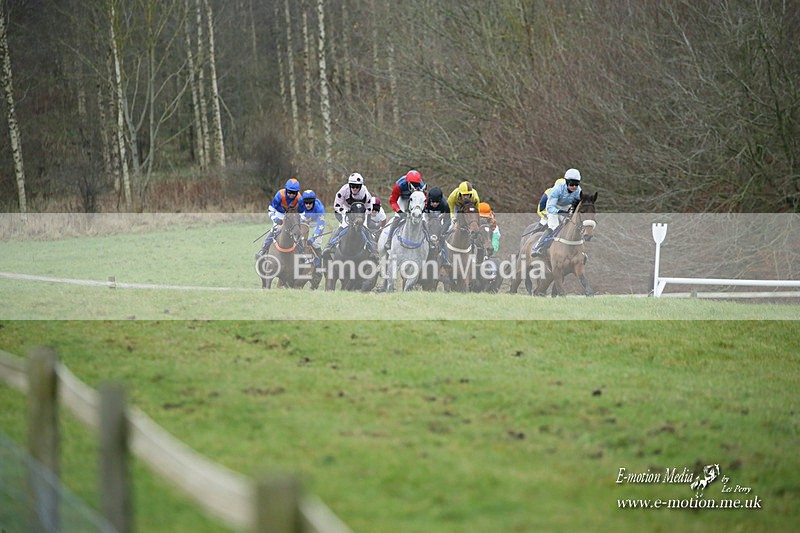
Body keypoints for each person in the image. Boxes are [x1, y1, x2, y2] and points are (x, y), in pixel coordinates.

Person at [322, 172, 375, 258]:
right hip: (346, 209)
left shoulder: (365, 193)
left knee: (365, 229)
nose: (354, 188)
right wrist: (345, 212)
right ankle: (329, 246)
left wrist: (361, 216)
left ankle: (372, 250)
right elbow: (336, 206)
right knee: (342, 226)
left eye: (357, 186)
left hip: (360, 212)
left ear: (360, 186)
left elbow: (369, 208)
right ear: (349, 185)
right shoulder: (343, 190)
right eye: (352, 186)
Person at [531, 168, 582, 256]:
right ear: (566, 182)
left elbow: (576, 205)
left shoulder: (578, 191)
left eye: (576, 184)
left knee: (569, 225)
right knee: (554, 226)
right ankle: (537, 246)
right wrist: (560, 212)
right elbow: (550, 207)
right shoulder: (557, 189)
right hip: (553, 206)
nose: (574, 186)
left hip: (565, 207)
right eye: (572, 183)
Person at [258, 178, 302, 255]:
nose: (292, 195)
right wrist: (276, 219)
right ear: (286, 190)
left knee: (297, 231)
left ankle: (302, 251)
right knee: (275, 230)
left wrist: (298, 221)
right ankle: (264, 248)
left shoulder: (299, 197)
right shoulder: (280, 195)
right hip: (280, 214)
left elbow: (302, 213)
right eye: (290, 192)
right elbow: (271, 209)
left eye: (294, 193)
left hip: (291, 216)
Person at [384, 170, 426, 251]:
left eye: (416, 184)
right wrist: (399, 211)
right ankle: (388, 241)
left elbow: (425, 200)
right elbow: (392, 200)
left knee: (424, 219)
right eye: (412, 183)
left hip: (416, 200)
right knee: (397, 217)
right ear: (407, 182)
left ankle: (429, 241)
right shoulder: (399, 185)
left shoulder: (421, 186)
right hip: (403, 199)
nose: (414, 185)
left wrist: (422, 210)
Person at [298, 189, 326, 264]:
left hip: (316, 224)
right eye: (306, 203)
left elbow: (321, 225)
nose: (308, 205)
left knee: (315, 244)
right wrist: (303, 220)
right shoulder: (300, 204)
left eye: (310, 203)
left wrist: (313, 238)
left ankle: (318, 268)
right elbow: (296, 218)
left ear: (314, 201)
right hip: (304, 223)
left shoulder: (319, 208)